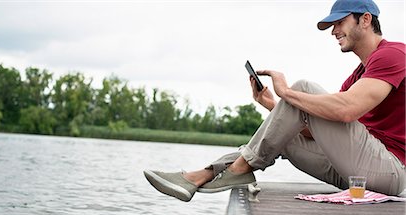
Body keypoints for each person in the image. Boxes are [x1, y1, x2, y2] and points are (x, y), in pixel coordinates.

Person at [144, 0, 405, 202]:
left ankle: (228, 171)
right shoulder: (357, 77)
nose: (333, 31)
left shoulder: (393, 54)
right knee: (283, 132)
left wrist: (287, 93)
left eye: (339, 22)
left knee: (302, 88)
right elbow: (314, 132)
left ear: (366, 20)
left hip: (389, 171)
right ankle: (204, 174)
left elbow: (347, 111)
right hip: (354, 172)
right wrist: (273, 104)